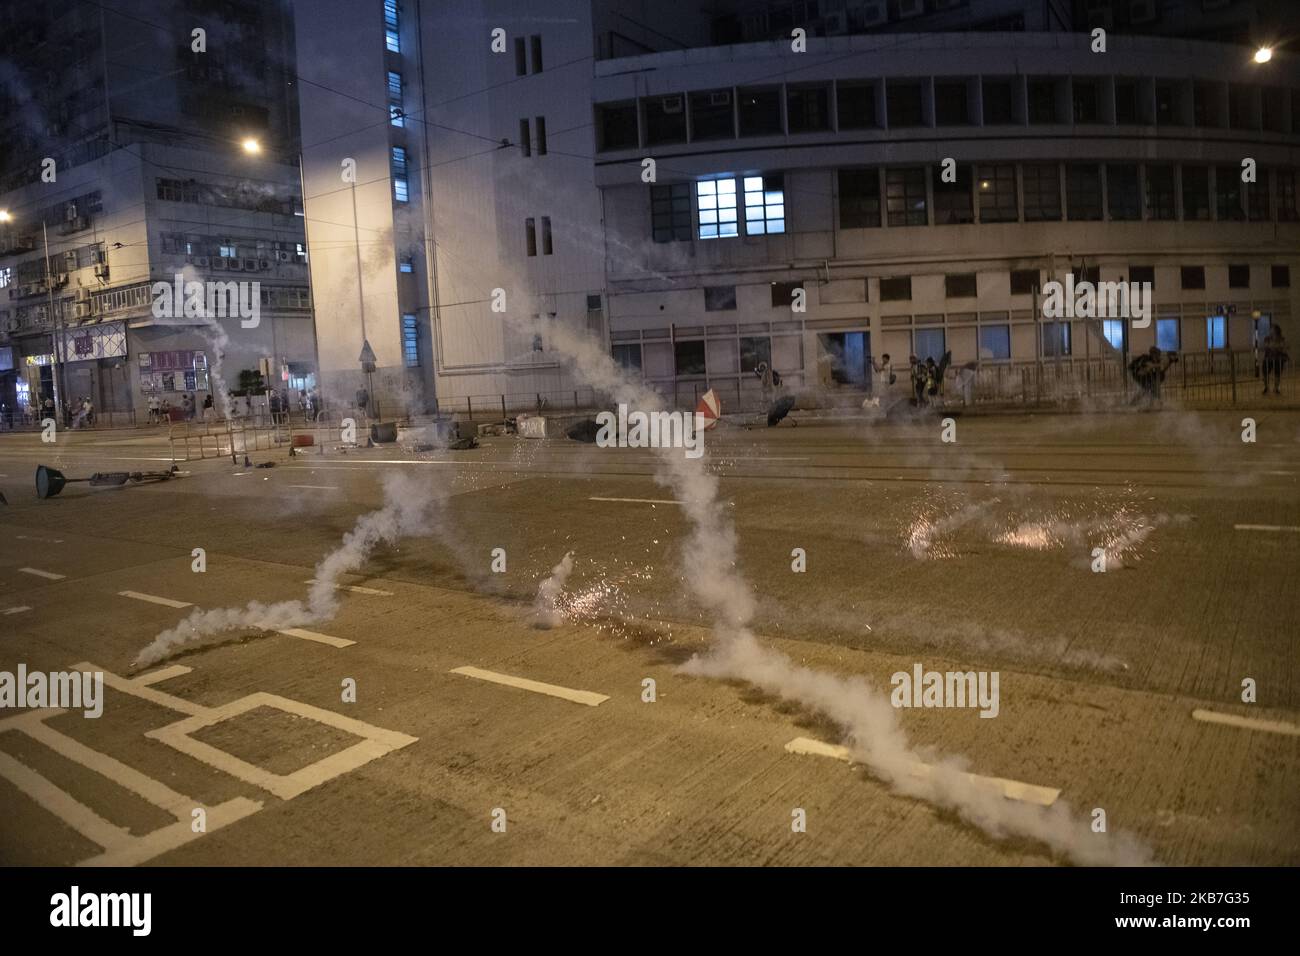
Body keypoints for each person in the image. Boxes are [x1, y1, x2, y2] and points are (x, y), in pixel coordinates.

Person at [1262, 324, 1288, 395]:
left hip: (1278, 359)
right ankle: (1266, 387)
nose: (1270, 331)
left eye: (1272, 329)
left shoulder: (1281, 338)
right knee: (1265, 373)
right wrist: (1275, 347)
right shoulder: (1267, 338)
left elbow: (1282, 346)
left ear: (1276, 330)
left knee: (1277, 373)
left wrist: (1273, 347)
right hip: (1268, 358)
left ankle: (1276, 388)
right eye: (1270, 329)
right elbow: (1265, 346)